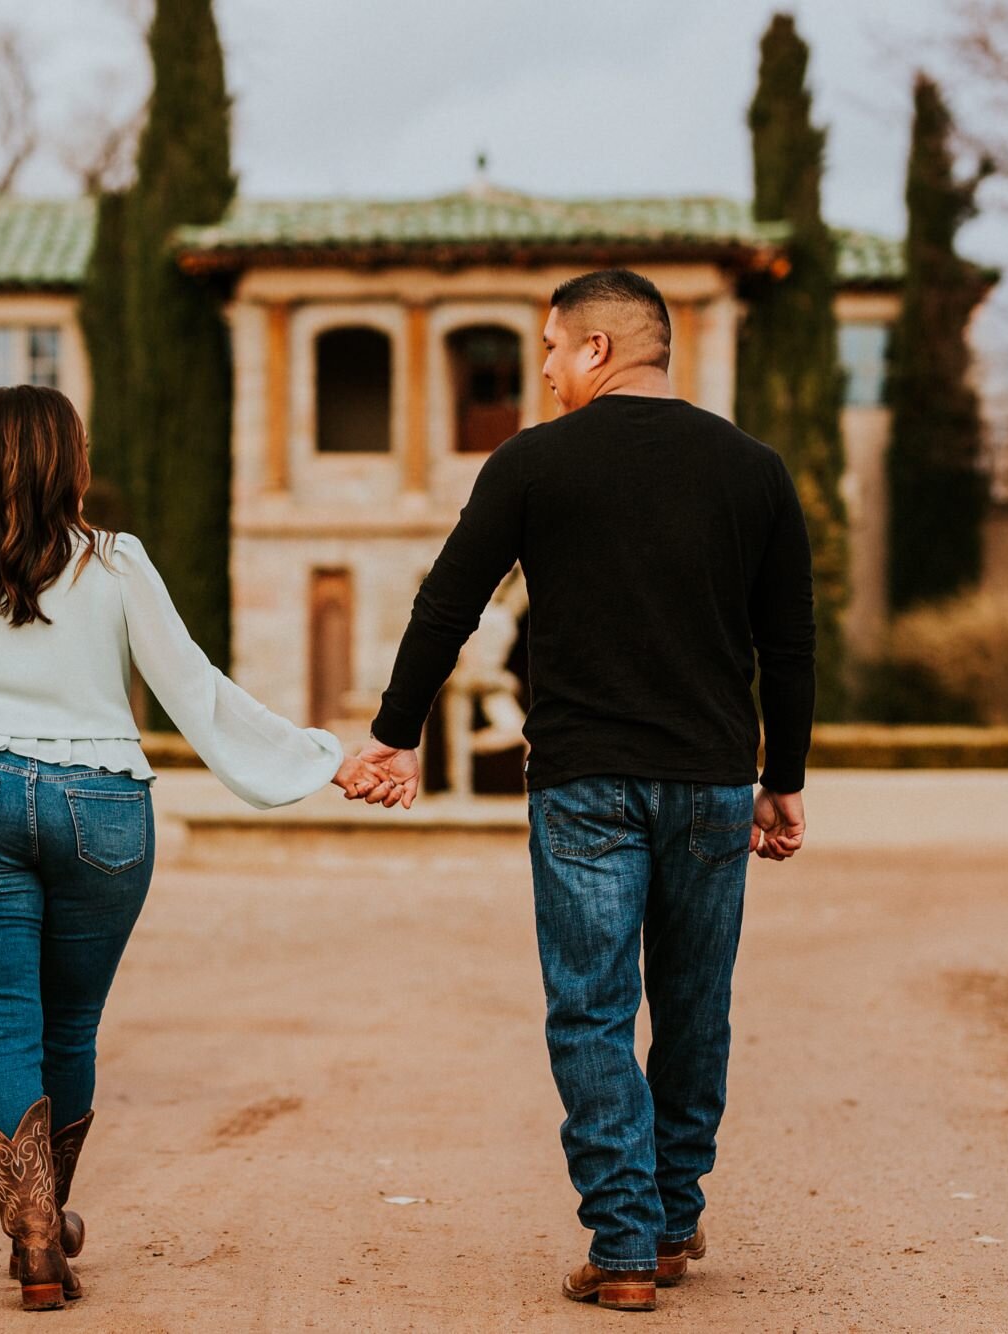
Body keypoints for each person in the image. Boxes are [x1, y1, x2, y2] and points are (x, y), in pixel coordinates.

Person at [0, 384, 381, 1312]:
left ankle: (34, 1233)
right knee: (70, 1026)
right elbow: (191, 688)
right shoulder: (116, 564)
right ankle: (44, 1228)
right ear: (70, 463)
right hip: (101, 805)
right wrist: (321, 760)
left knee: (3, 1026)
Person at [352, 269, 814, 1312]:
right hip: (707, 782)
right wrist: (778, 779)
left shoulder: (531, 463)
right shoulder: (753, 470)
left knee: (591, 1008)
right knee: (693, 1003)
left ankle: (620, 1243)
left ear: (598, 350)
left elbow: (447, 603)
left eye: (552, 348)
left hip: (582, 785)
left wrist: (394, 733)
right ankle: (671, 1215)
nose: (546, 369)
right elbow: (787, 645)